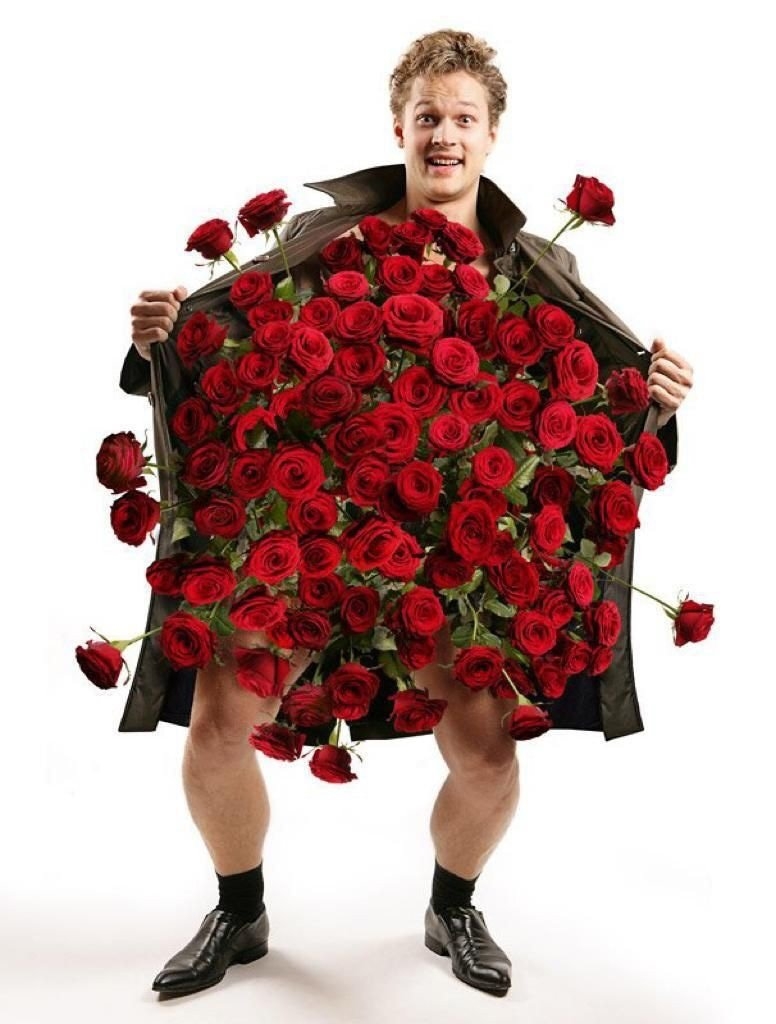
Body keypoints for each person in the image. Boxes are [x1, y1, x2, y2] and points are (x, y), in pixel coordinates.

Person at [125, 29, 693, 1000]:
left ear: (491, 134)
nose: (443, 135)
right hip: (307, 534)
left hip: (449, 559)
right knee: (218, 728)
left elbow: (596, 404)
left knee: (489, 759)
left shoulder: (538, 268)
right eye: (427, 116)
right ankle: (239, 910)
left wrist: (658, 403)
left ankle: (452, 906)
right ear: (399, 127)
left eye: (462, 118)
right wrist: (160, 339)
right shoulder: (326, 241)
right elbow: (220, 340)